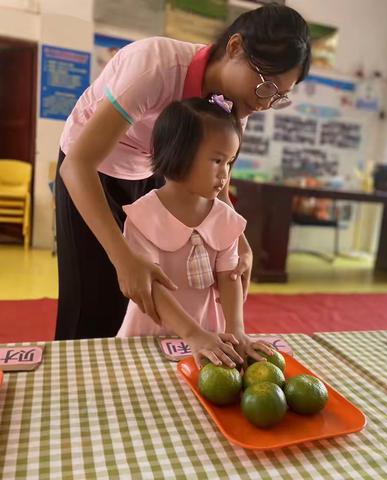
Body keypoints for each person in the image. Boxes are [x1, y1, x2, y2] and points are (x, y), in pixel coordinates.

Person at [55, 3, 311, 340]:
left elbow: (216, 184)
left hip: (152, 171)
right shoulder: (156, 65)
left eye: (279, 96)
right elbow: (77, 164)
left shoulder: (236, 101)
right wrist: (123, 257)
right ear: (235, 47)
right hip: (90, 169)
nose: (265, 102)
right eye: (266, 86)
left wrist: (237, 240)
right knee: (91, 300)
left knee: (143, 295)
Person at [117, 95, 271, 367]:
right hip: (150, 334)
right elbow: (151, 287)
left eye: (229, 162)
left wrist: (236, 330)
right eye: (216, 161)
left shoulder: (225, 217)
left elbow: (230, 276)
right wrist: (192, 334)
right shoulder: (143, 216)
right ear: (179, 153)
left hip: (208, 334)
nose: (224, 174)